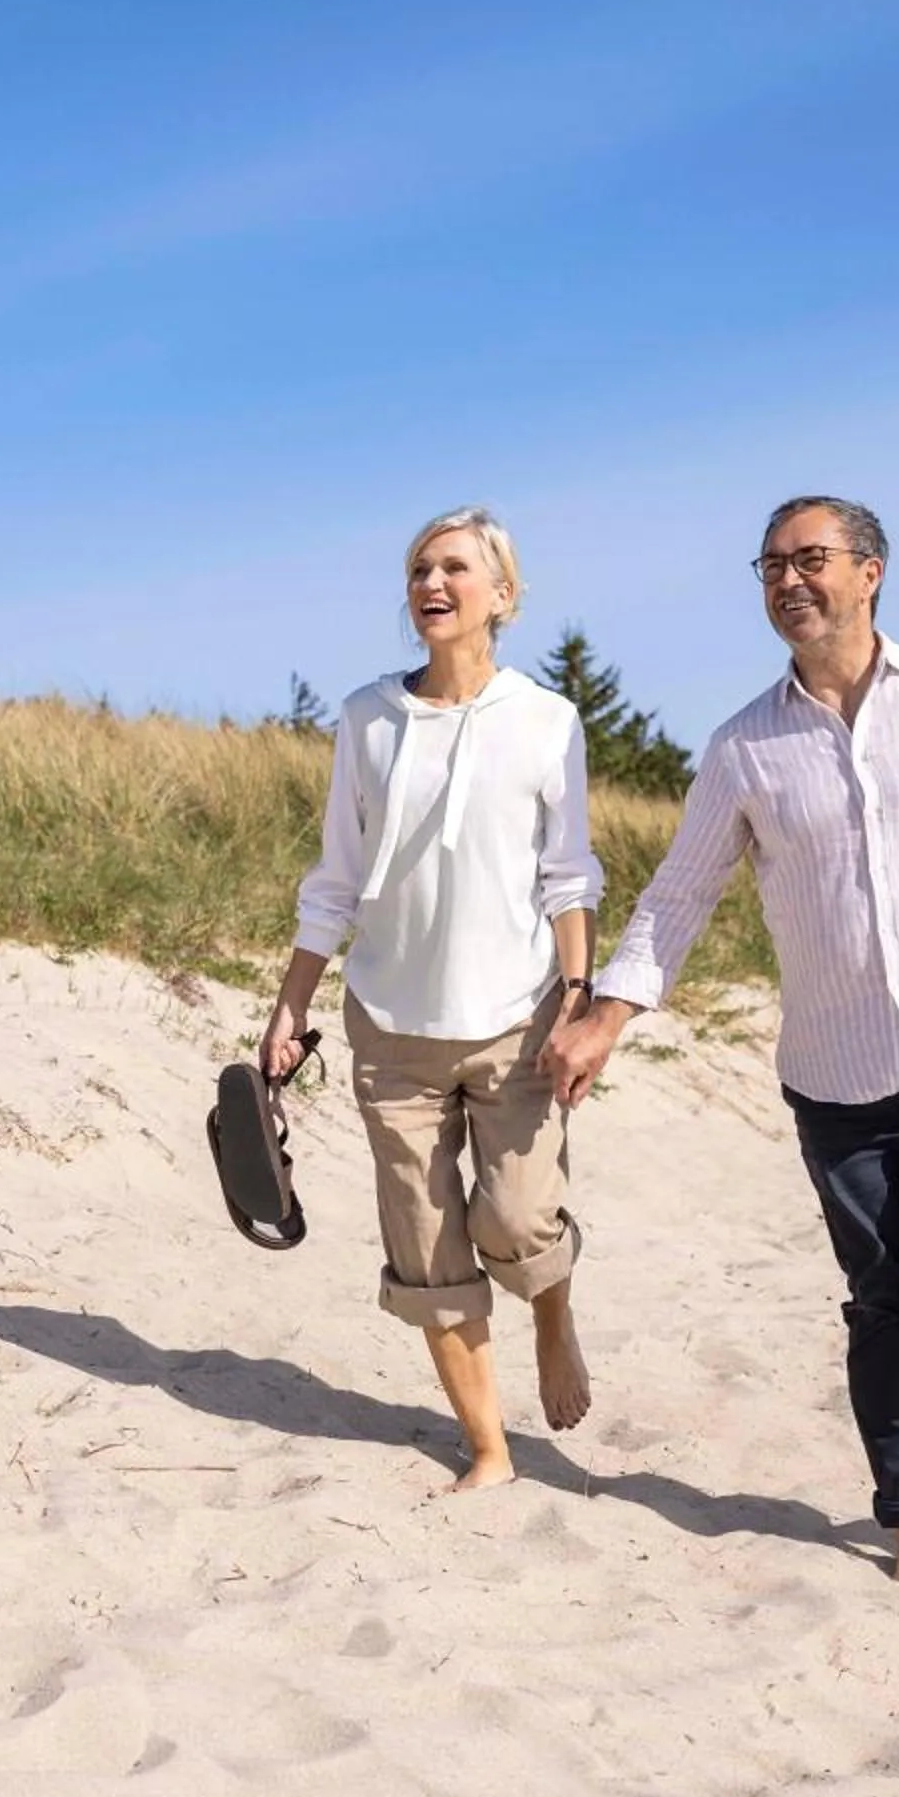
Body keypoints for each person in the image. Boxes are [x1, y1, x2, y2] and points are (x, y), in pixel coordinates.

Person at [539, 495, 899, 1591]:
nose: (788, 581)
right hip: (835, 1070)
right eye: (770, 566)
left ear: (871, 572)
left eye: (810, 559)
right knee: (883, 1301)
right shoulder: (743, 748)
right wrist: (609, 1016)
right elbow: (680, 897)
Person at [262, 506, 601, 1494]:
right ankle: (491, 1447)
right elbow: (335, 877)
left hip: (515, 1020)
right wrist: (292, 1004)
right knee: (425, 1248)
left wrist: (579, 1003)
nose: (432, 582)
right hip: (390, 1025)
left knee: (519, 1222)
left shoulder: (547, 721)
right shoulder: (368, 716)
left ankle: (551, 1313)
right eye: (419, 567)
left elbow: (569, 878)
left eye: (455, 567)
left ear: (503, 594)